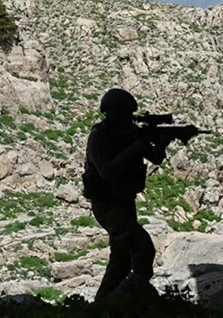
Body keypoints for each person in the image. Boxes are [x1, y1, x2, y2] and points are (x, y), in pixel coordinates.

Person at [81, 88, 172, 302]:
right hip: (107, 204)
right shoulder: (99, 136)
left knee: (121, 259)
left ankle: (103, 305)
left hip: (124, 201)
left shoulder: (130, 133)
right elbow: (108, 172)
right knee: (142, 248)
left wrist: (160, 142)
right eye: (124, 114)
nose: (129, 120)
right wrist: (137, 147)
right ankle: (133, 296)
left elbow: (156, 158)